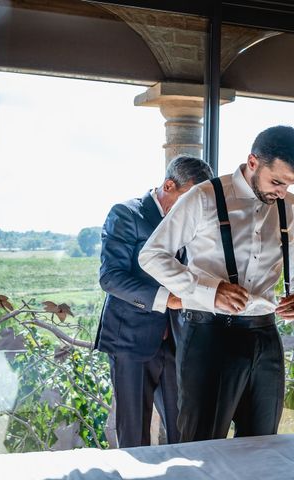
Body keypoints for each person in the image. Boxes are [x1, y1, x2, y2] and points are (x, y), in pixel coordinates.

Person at [138, 125, 294, 442]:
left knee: (263, 444)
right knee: (203, 445)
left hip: (265, 334)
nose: (282, 192)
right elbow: (152, 255)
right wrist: (210, 290)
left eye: (290, 183)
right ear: (252, 162)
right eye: (276, 181)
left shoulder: (291, 206)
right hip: (208, 334)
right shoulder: (204, 198)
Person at [94, 155, 212, 448]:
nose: (195, 210)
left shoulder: (192, 224)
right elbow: (110, 278)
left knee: (185, 435)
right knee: (134, 438)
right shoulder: (125, 214)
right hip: (130, 342)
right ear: (169, 185)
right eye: (191, 199)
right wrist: (165, 298)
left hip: (177, 342)